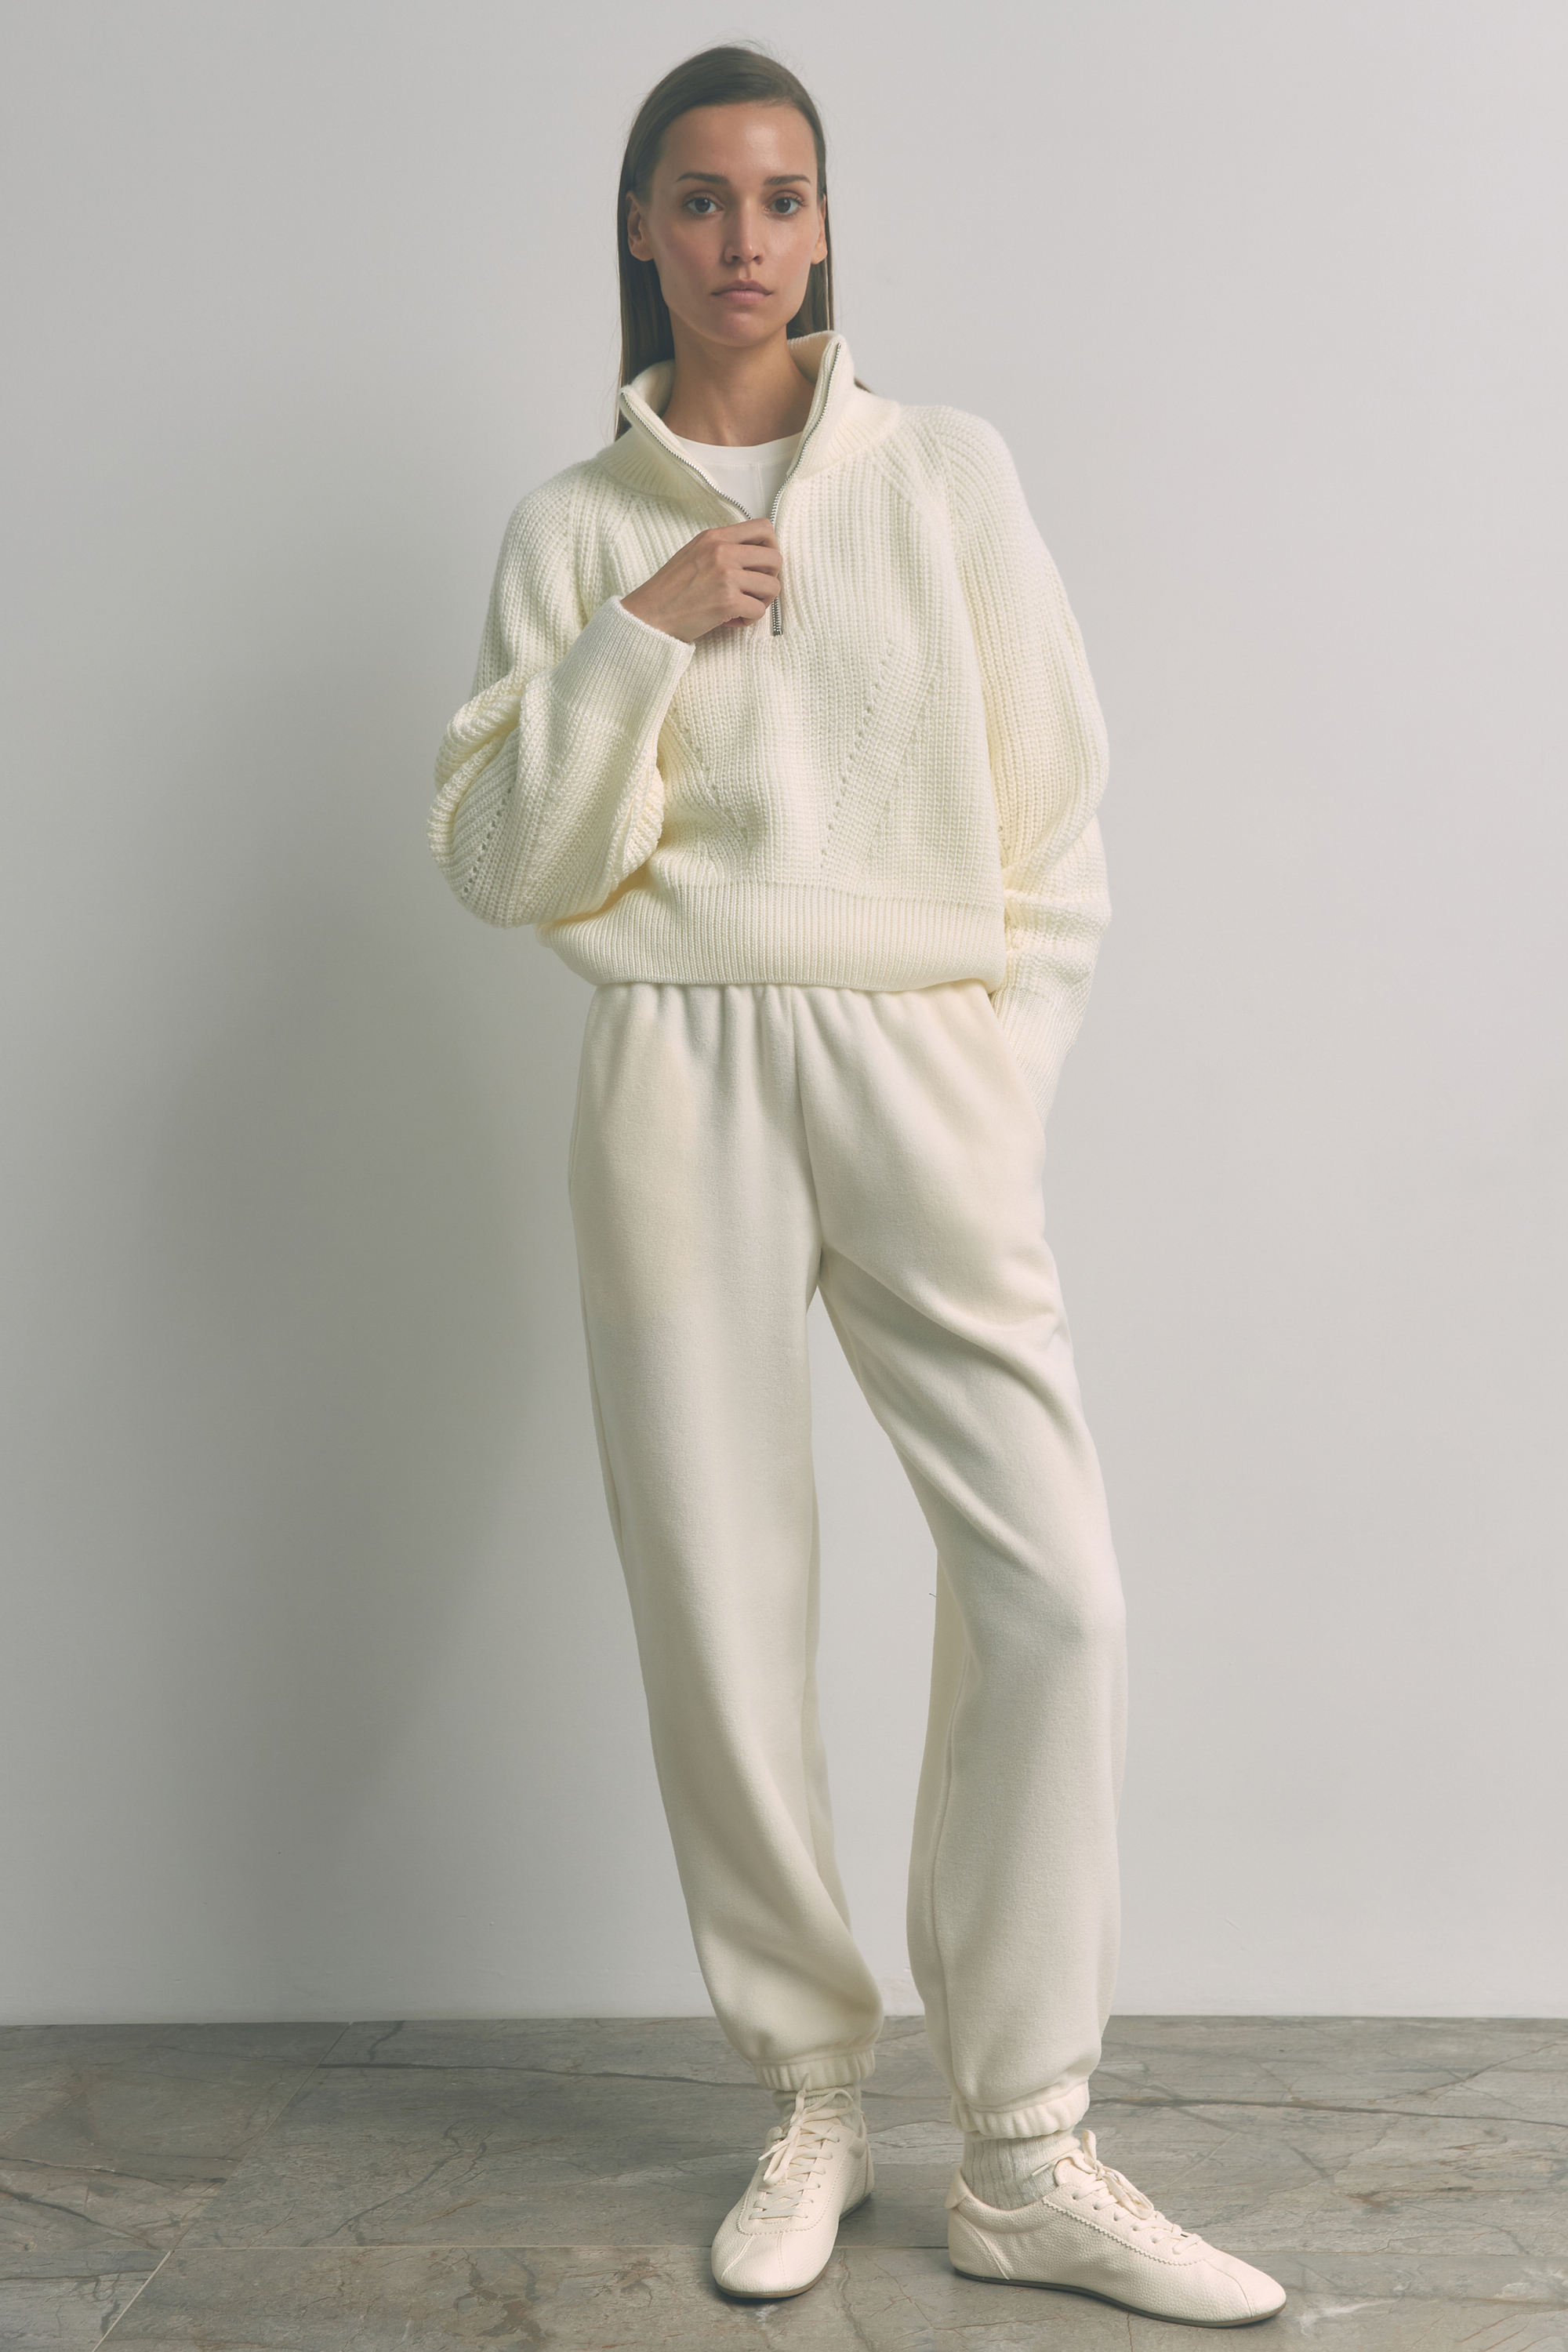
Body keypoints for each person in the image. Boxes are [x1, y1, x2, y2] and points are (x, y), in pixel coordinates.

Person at [430, 43, 1285, 2329]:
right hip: (675, 1063)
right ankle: (811, 2094)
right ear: (642, 228)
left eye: (783, 198)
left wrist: (996, 1079)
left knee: (1056, 1588)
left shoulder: (947, 476)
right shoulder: (570, 528)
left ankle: (1029, 2148)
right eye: (701, 199)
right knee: (721, 1602)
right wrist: (641, 635)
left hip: (922, 1061)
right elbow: (505, 863)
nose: (745, 240)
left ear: (826, 225)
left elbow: (1056, 818)